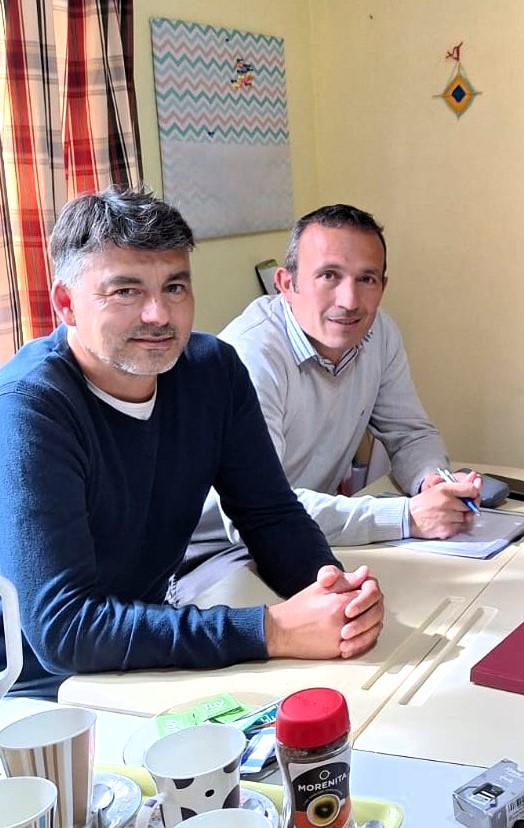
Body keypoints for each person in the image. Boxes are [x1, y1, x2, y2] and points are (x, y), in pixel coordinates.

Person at [0, 188, 385, 699]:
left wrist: (334, 596)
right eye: (126, 291)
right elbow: (63, 630)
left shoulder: (212, 371)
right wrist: (272, 630)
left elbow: (270, 515)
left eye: (175, 286)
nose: (158, 314)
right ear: (67, 304)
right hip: (35, 692)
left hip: (143, 660)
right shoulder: (30, 407)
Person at [174, 203, 479, 605]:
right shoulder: (250, 356)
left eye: (366, 279)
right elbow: (260, 509)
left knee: (428, 603)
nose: (349, 301)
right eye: (329, 276)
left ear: (383, 286)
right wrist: (406, 517)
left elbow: (410, 433)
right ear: (287, 284)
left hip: (304, 534)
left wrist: (431, 481)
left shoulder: (380, 333)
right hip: (213, 553)